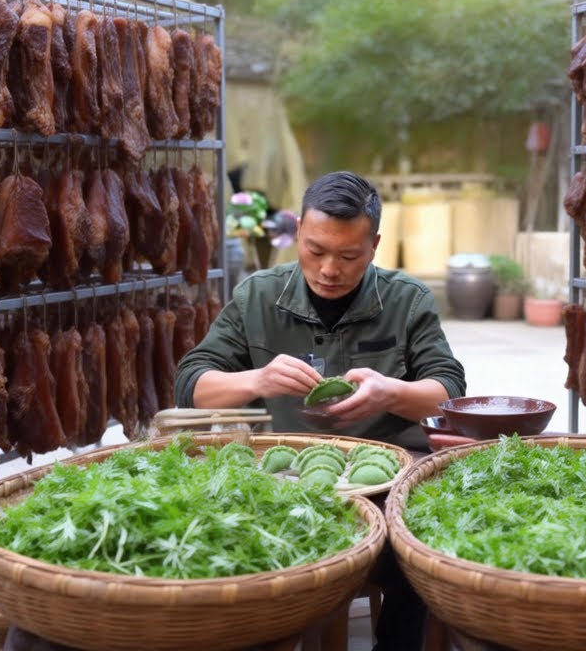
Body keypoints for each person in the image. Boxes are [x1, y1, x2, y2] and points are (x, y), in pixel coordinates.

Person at [173, 170, 466, 650]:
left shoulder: (406, 300)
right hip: (286, 485)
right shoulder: (258, 295)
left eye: (349, 256)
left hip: (387, 490)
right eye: (315, 250)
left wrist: (390, 392)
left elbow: (449, 394)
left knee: (420, 552)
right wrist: (257, 379)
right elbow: (190, 385)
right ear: (297, 233)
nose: (329, 268)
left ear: (373, 245)